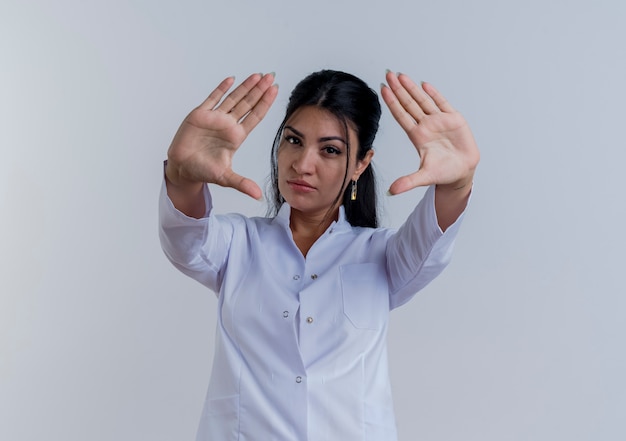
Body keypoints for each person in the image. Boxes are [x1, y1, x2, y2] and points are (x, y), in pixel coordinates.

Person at [159, 69, 479, 440]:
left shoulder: (381, 256)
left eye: (330, 150)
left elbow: (431, 242)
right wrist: (183, 177)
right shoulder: (237, 243)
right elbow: (185, 239)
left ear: (360, 163)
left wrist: (458, 183)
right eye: (294, 141)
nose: (302, 164)